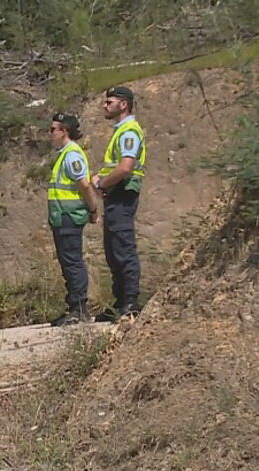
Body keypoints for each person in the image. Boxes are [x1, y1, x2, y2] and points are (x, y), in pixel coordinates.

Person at [91, 85, 147, 320]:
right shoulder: (120, 132)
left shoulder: (129, 132)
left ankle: (131, 302)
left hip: (123, 194)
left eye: (109, 101)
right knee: (114, 251)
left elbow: (125, 167)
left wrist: (103, 184)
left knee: (123, 247)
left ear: (123, 104)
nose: (105, 105)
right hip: (116, 195)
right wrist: (100, 179)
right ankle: (120, 302)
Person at [47, 112, 99, 327]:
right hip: (61, 217)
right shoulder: (64, 155)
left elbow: (84, 185)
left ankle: (79, 309)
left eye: (53, 129)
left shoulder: (72, 155)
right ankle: (74, 307)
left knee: (73, 262)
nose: (50, 134)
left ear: (64, 131)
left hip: (69, 216)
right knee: (67, 262)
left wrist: (93, 208)